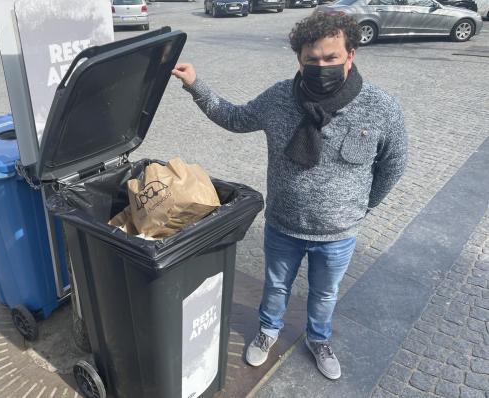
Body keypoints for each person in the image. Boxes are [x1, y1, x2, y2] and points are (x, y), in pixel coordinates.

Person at [172, 12, 408, 380]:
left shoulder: (381, 108)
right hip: (284, 225)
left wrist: (364, 206)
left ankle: (319, 338)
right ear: (299, 58)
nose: (321, 66)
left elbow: (393, 164)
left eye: (331, 58)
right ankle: (268, 331)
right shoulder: (280, 98)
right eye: (311, 59)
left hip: (338, 234)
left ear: (351, 55)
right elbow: (234, 118)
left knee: (325, 294)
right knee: (277, 285)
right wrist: (195, 85)